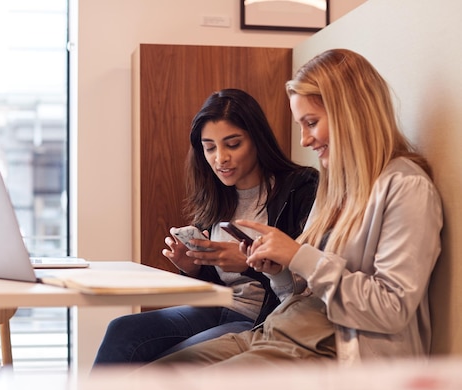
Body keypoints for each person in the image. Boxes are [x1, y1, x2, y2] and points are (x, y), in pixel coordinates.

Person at [141, 49, 443, 369]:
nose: (304, 140)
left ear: (350, 114)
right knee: (151, 379)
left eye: (311, 123)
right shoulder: (336, 185)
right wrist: (278, 269)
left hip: (332, 350)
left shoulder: (406, 187)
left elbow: (390, 309)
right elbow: (299, 294)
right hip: (281, 331)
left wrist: (298, 255)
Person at [93, 88, 319, 367]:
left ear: (257, 140)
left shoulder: (298, 189)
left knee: (166, 364)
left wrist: (248, 262)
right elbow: (216, 282)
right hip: (217, 307)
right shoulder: (218, 194)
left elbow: (304, 279)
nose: (220, 158)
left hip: (263, 317)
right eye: (210, 147)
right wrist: (194, 267)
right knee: (123, 330)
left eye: (233, 144)